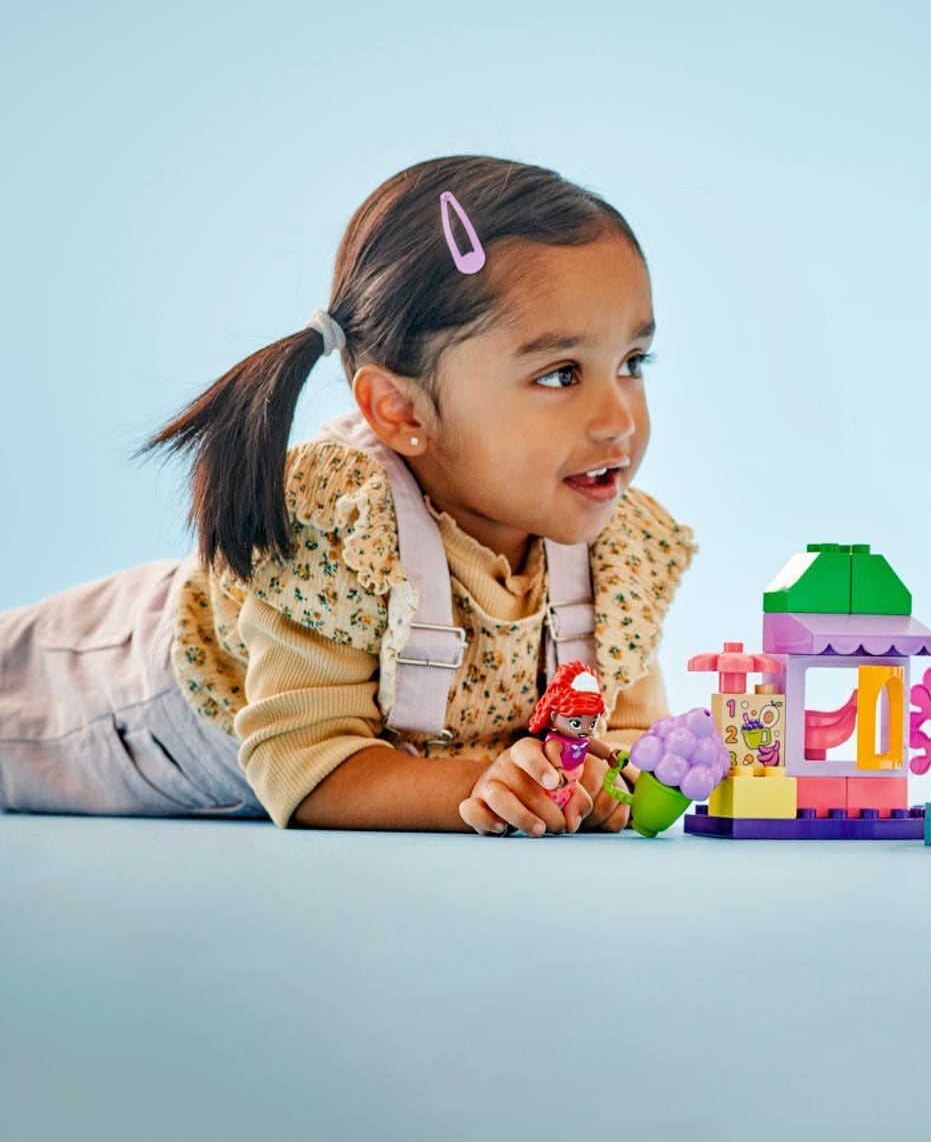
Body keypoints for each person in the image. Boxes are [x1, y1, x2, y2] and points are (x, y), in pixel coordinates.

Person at [0, 156, 693, 837]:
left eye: (633, 363)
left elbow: (624, 734)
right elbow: (306, 764)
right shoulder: (339, 529)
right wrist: (477, 788)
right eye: (560, 374)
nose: (619, 419)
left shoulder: (613, 549)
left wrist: (605, 785)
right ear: (399, 411)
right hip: (103, 703)